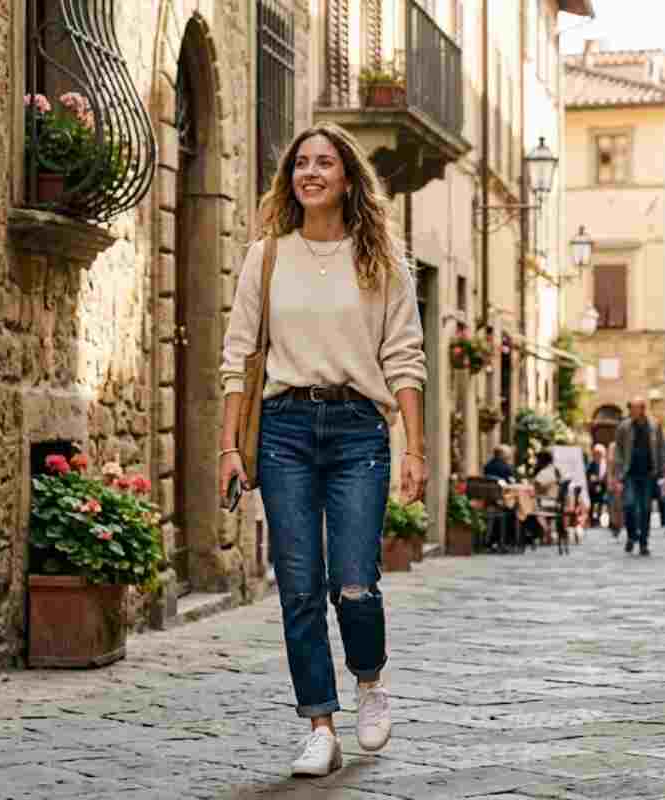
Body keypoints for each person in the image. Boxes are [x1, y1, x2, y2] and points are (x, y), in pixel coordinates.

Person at [218, 123, 427, 778]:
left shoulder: (381, 261)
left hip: (359, 427)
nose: (311, 172)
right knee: (300, 586)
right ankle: (319, 726)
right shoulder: (267, 256)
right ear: (291, 179)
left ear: (346, 178)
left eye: (325, 162)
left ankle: (369, 679)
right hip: (281, 429)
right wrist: (229, 444)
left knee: (355, 582)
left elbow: (404, 359)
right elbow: (237, 358)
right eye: (301, 162)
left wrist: (415, 449)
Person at [609, 398, 665, 556]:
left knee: (646, 509)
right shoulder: (624, 426)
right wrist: (617, 473)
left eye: (634, 408)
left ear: (642, 409)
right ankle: (631, 536)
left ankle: (643, 542)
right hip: (630, 473)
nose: (631, 412)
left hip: (648, 473)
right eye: (630, 409)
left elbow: (661, 447)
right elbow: (619, 450)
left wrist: (662, 469)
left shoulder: (654, 425)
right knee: (629, 505)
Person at [586, 443, 608, 527]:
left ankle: (598, 519)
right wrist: (592, 479)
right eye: (596, 453)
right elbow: (588, 475)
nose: (598, 455)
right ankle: (592, 520)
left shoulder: (605, 464)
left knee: (601, 503)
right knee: (592, 503)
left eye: (600, 453)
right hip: (593, 487)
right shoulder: (591, 464)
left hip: (603, 487)